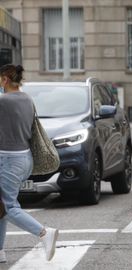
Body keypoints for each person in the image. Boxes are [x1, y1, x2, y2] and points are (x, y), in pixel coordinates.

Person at [0, 64, 58, 262]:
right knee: (1, 205)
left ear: (5, 79)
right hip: (24, 158)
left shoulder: (3, 101)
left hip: (8, 159)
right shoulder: (27, 99)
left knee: (8, 207)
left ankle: (43, 233)